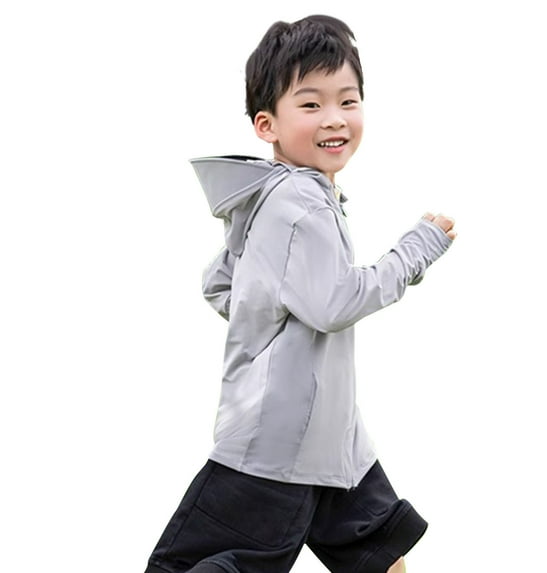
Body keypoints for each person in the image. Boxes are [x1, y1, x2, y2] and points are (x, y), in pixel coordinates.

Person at [144, 14, 456, 573]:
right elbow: (335, 303)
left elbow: (220, 284)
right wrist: (416, 250)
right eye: (311, 104)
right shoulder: (301, 202)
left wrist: (266, 311)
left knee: (382, 559)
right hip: (279, 445)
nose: (334, 118)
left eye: (348, 100)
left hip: (333, 441)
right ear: (267, 124)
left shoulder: (270, 197)